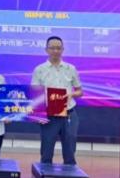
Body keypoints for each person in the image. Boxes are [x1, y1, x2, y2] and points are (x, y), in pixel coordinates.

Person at [31, 36, 83, 165]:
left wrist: (71, 94)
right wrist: (38, 114)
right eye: (52, 48)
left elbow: (80, 91)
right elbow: (34, 94)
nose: (55, 51)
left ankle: (70, 176)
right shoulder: (39, 70)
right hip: (49, 116)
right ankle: (45, 177)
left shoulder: (70, 69)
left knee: (70, 153)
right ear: (46, 50)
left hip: (69, 113)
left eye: (58, 48)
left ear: (63, 50)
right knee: (46, 154)